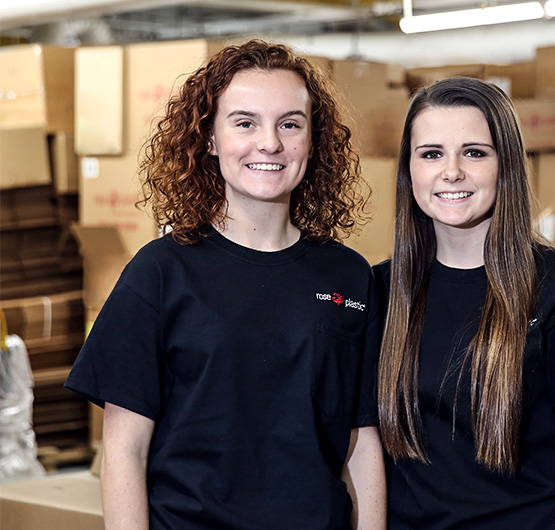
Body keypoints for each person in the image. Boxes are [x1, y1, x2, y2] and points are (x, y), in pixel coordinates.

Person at [66, 39, 386, 530]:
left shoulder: (349, 277)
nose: (270, 143)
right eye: (245, 123)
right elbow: (125, 450)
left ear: (313, 140)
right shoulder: (160, 273)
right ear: (210, 139)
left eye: (290, 124)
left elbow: (361, 442)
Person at [373, 77, 555, 529]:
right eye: (431, 154)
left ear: (507, 165)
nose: (451, 171)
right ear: (409, 170)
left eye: (474, 152)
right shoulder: (381, 291)